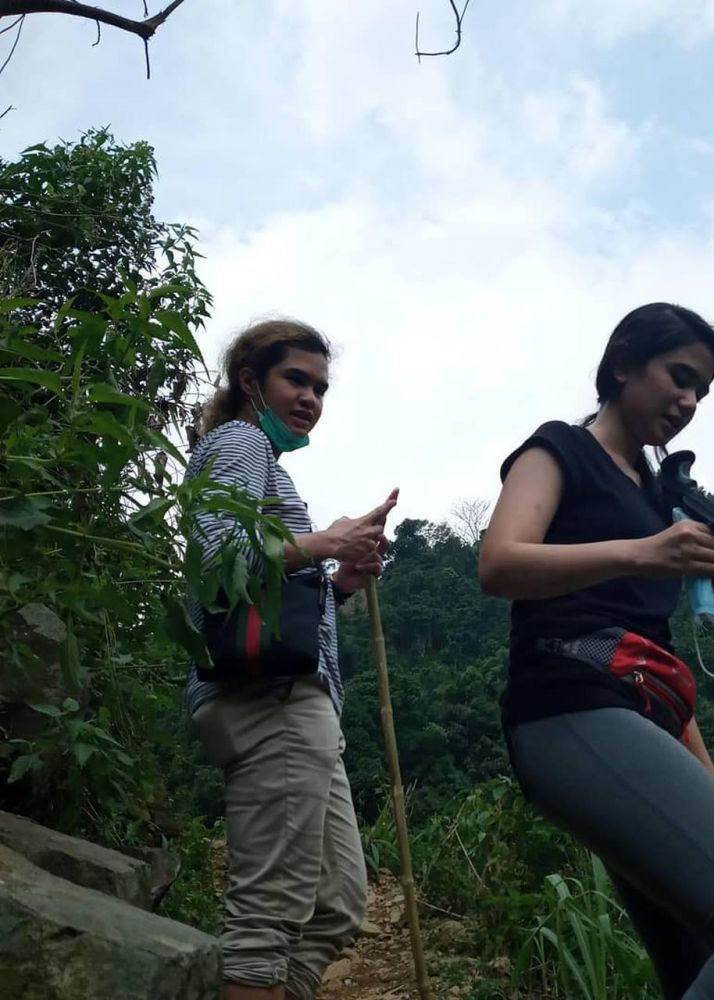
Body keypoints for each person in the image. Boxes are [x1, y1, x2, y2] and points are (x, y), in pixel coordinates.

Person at [478, 303, 714, 999]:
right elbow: (499, 563)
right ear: (622, 363)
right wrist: (645, 552)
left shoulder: (654, 497)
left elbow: (656, 663)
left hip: (633, 713)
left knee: (700, 957)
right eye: (679, 375)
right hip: (568, 709)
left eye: (700, 391)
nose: (689, 400)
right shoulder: (558, 450)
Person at [185, 318, 397, 1000]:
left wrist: (340, 584)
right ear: (251, 381)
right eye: (295, 380)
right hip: (269, 704)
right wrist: (326, 541)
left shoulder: (266, 465)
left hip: (297, 701)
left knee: (336, 904)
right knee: (268, 916)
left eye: (320, 387)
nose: (310, 398)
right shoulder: (240, 442)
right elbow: (218, 565)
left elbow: (269, 604)